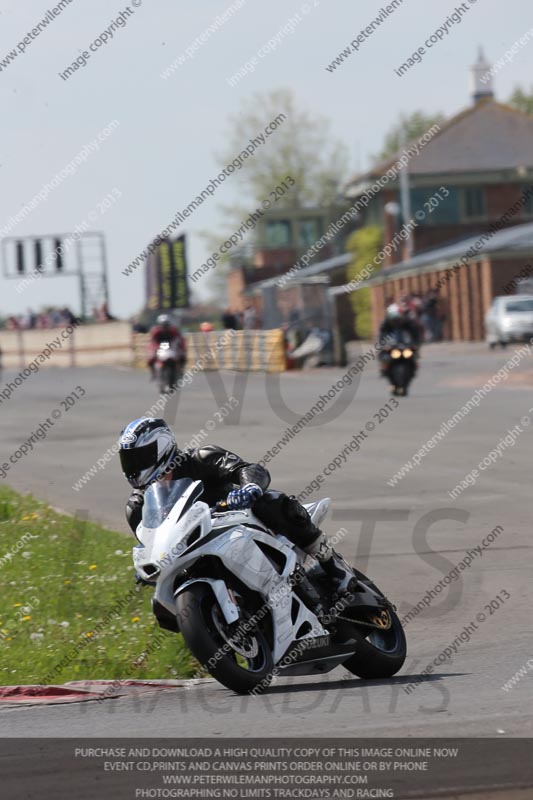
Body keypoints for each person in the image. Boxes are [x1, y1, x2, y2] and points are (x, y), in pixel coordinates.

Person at [118, 417, 355, 599]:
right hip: (194, 551)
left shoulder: (201, 458)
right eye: (129, 460)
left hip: (239, 523)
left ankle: (333, 565)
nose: (133, 467)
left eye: (138, 458)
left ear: (161, 447)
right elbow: (151, 542)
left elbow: (249, 469)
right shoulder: (137, 507)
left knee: (270, 501)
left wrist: (249, 487)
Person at [378, 302, 421, 375]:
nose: (396, 322)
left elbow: (415, 334)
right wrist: (384, 345)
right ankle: (384, 367)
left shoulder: (407, 322)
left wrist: (415, 343)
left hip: (405, 344)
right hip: (391, 345)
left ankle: (414, 365)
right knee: (384, 354)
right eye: (393, 319)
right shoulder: (385, 324)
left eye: (398, 319)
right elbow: (382, 336)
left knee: (414, 352)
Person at [147, 314, 185, 380]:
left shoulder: (173, 330)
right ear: (159, 324)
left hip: (171, 348)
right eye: (162, 324)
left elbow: (179, 339)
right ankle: (153, 372)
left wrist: (180, 348)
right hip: (159, 347)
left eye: (166, 324)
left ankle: (181, 370)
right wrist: (155, 349)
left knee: (182, 356)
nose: (164, 326)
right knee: (151, 358)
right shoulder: (155, 331)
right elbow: (153, 341)